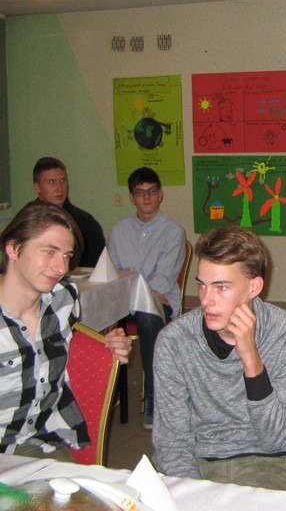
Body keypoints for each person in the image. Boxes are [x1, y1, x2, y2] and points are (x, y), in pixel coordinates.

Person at [152, 225, 286, 492]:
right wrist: (193, 494)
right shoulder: (174, 340)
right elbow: (172, 443)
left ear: (253, 287)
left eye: (221, 287)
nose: (206, 300)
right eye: (202, 285)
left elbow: (277, 440)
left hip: (263, 464)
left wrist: (251, 359)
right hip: (194, 463)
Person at [0, 203, 131, 459]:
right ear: (14, 248)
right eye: (50, 251)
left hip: (41, 441)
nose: (61, 268)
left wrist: (109, 343)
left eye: (66, 256)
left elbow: (75, 345)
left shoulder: (62, 299)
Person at [108, 167, 186, 429]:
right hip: (124, 301)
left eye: (152, 191)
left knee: (149, 319)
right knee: (95, 318)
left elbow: (164, 279)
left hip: (158, 302)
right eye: (140, 193)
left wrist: (139, 293)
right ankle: (107, 392)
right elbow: (113, 272)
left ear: (160, 194)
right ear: (132, 198)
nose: (147, 197)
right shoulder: (119, 230)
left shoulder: (173, 231)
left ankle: (154, 397)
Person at [32, 157, 106, 267]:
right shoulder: (28, 220)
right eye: (51, 182)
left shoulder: (85, 222)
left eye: (63, 181)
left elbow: (98, 265)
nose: (59, 188)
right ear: (37, 187)